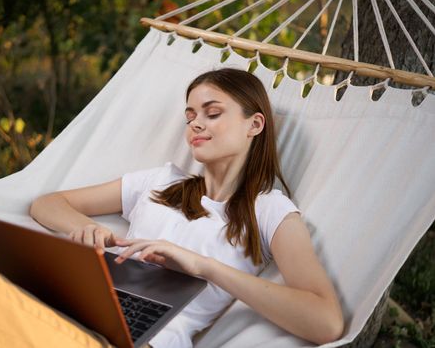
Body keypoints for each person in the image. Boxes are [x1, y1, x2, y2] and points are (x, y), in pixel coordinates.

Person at [30, 68, 344, 347]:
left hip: (153, 335)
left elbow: (325, 322)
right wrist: (90, 228)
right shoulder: (161, 181)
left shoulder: (269, 209)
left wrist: (203, 267)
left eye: (213, 113)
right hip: (85, 303)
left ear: (255, 124)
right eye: (191, 116)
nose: (195, 124)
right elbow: (48, 204)